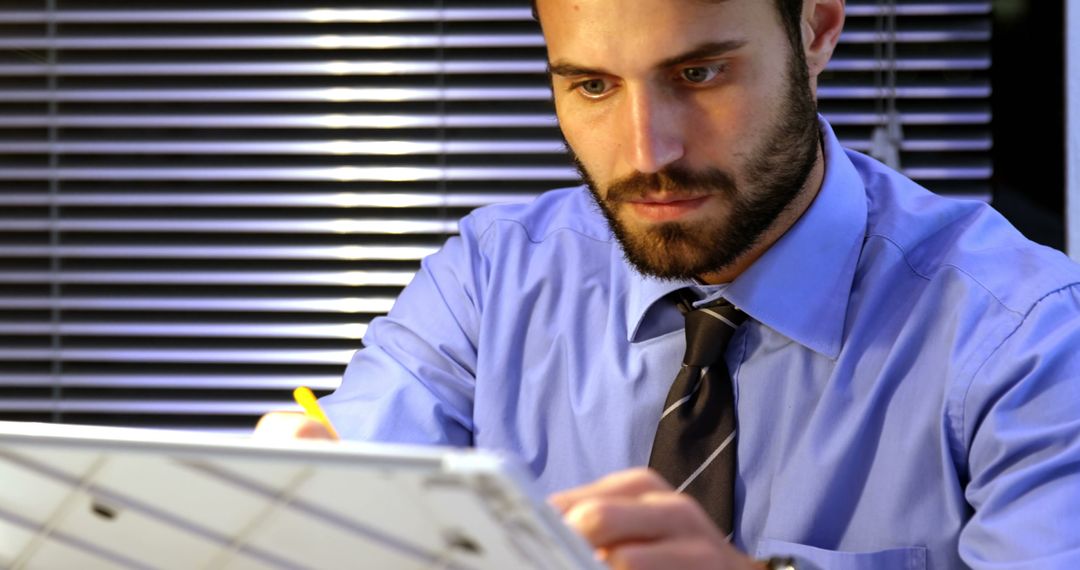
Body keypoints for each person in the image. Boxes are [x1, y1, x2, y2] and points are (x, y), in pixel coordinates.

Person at [256, 0, 1080, 568]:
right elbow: (353, 496)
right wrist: (297, 513)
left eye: (699, 75)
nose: (647, 153)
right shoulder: (487, 279)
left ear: (818, 31)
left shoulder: (1029, 337)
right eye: (591, 85)